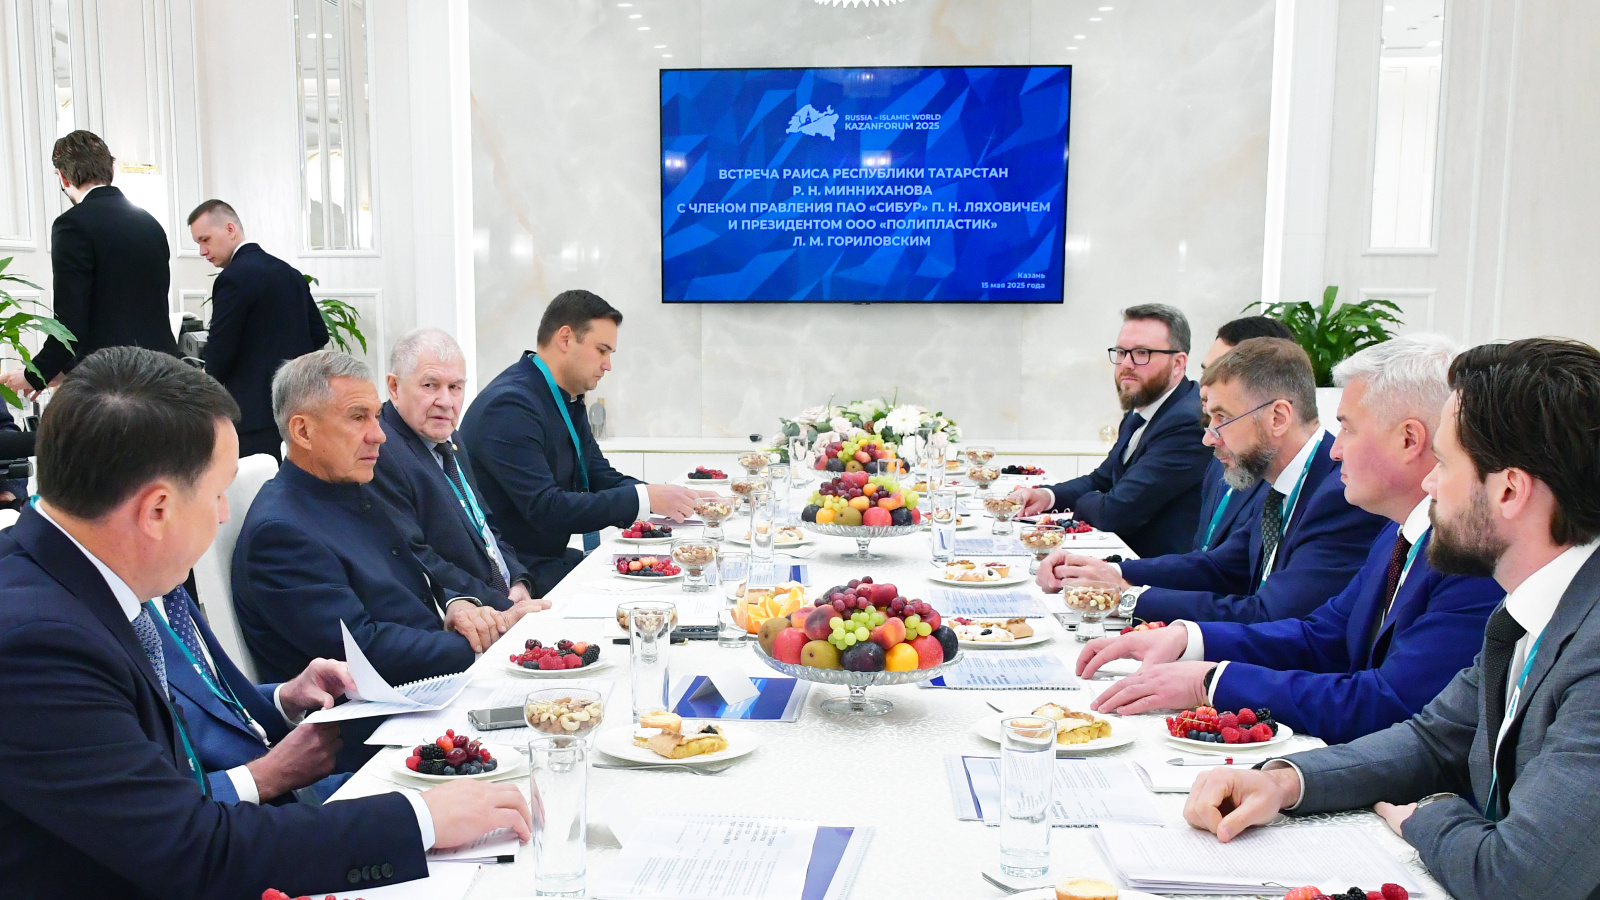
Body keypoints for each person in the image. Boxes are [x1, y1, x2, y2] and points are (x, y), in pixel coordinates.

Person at [0, 346, 528, 896]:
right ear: (157, 510)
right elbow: (192, 848)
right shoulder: (35, 646)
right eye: (217, 493)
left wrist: (280, 698)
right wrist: (419, 822)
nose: (225, 514)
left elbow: (171, 709)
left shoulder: (103, 565)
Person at [1182, 338, 1600, 900]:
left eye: (1445, 464)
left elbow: (1518, 877)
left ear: (1508, 491)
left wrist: (1430, 812)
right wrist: (1283, 782)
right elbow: (1433, 738)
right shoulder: (1531, 605)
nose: (1430, 483)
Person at [1075, 336, 1503, 743]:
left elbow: (1388, 702)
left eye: (1348, 430)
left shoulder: (1467, 556)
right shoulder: (1399, 529)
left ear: (1409, 440)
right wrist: (1190, 639)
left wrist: (1212, 681)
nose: (1336, 450)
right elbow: (1324, 635)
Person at [1038, 338, 1387, 624]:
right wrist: (1109, 571)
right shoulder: (1279, 479)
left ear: (1278, 417)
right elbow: (1220, 567)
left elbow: (1270, 615)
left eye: (1222, 418)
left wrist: (1129, 597)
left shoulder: (1339, 495)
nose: (1208, 438)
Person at [233, 351, 525, 684]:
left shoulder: (348, 487)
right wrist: (489, 641)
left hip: (428, 674)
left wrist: (458, 607)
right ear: (303, 431)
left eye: (376, 416)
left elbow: (415, 578)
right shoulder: (281, 534)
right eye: (358, 417)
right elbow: (362, 649)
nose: (380, 435)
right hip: (375, 707)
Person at [459, 290, 713, 595]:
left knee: (669, 575)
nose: (608, 365)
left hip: (548, 560)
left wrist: (675, 499)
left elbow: (597, 475)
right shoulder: (510, 406)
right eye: (602, 350)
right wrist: (646, 499)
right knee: (654, 593)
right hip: (516, 576)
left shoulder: (564, 396)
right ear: (566, 339)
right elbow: (546, 508)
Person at [1010, 304, 1213, 558]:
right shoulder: (1142, 409)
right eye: (1121, 352)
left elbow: (1115, 513)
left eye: (1141, 353)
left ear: (1178, 363)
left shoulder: (1188, 422)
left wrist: (1089, 501)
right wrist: (1046, 496)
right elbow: (1102, 480)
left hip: (1152, 570)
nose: (1126, 364)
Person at [371, 328, 548, 615]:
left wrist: (518, 579)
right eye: (430, 385)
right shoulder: (380, 449)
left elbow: (485, 524)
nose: (446, 401)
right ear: (394, 387)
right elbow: (417, 558)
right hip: (465, 615)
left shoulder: (448, 436)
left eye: (455, 387)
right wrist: (502, 605)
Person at [0, 131, 178, 401]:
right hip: (163, 373)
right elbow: (129, 314)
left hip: (113, 383)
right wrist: (62, 370)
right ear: (112, 171)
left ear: (63, 177)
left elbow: (71, 324)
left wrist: (35, 374)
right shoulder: (151, 224)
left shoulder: (72, 224)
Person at [156, 579, 347, 804]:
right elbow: (146, 805)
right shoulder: (130, 614)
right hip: (233, 812)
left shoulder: (168, 590)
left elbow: (210, 700)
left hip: (292, 790)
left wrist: (287, 697)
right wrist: (267, 776)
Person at [189, 199, 330, 461]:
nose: (202, 251)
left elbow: (220, 353)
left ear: (230, 229)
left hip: (252, 416)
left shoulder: (233, 278)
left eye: (205, 239)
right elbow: (319, 334)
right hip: (298, 410)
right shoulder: (289, 273)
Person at [1190, 316, 1294, 552]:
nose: (1204, 390)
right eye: (1206, 374)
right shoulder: (1220, 454)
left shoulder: (1279, 474)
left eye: (1219, 376)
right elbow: (1204, 557)